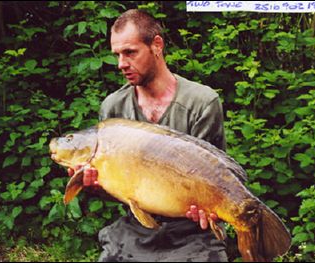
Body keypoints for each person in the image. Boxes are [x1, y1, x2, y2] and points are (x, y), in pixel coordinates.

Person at [68, 9, 230, 262]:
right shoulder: (113, 108)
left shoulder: (202, 102)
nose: (121, 63)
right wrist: (93, 185)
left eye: (130, 52)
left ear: (157, 45)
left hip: (192, 231)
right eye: (117, 55)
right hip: (136, 226)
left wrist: (212, 211)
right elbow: (117, 189)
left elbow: (213, 180)